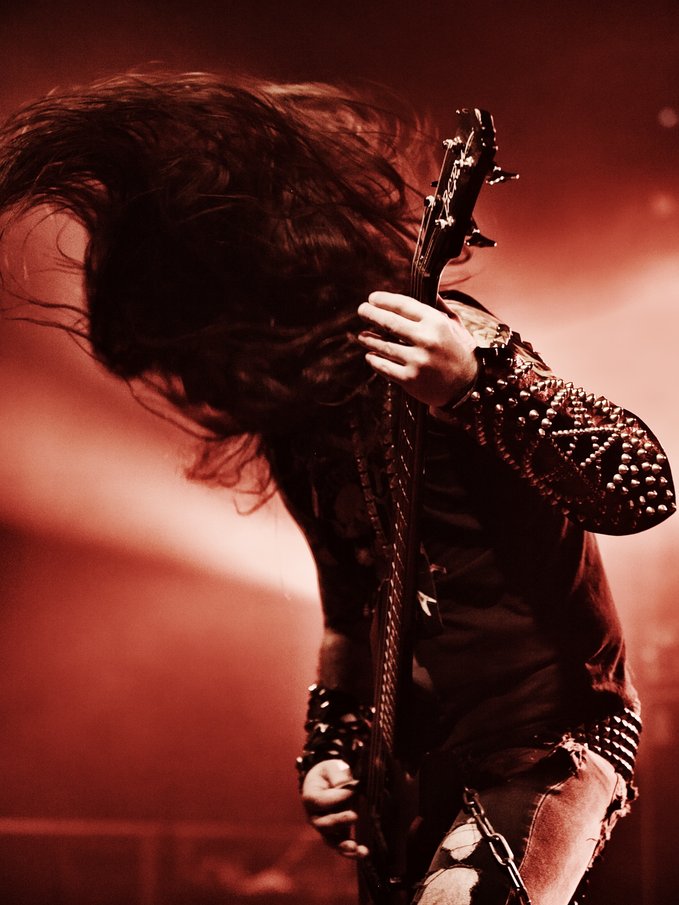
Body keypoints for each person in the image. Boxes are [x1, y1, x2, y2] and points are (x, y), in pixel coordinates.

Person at [0, 72, 674, 905]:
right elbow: (348, 609)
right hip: (418, 766)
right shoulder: (298, 427)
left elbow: (640, 487)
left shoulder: (438, 335)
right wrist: (333, 746)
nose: (196, 384)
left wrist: (478, 385)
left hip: (549, 735)